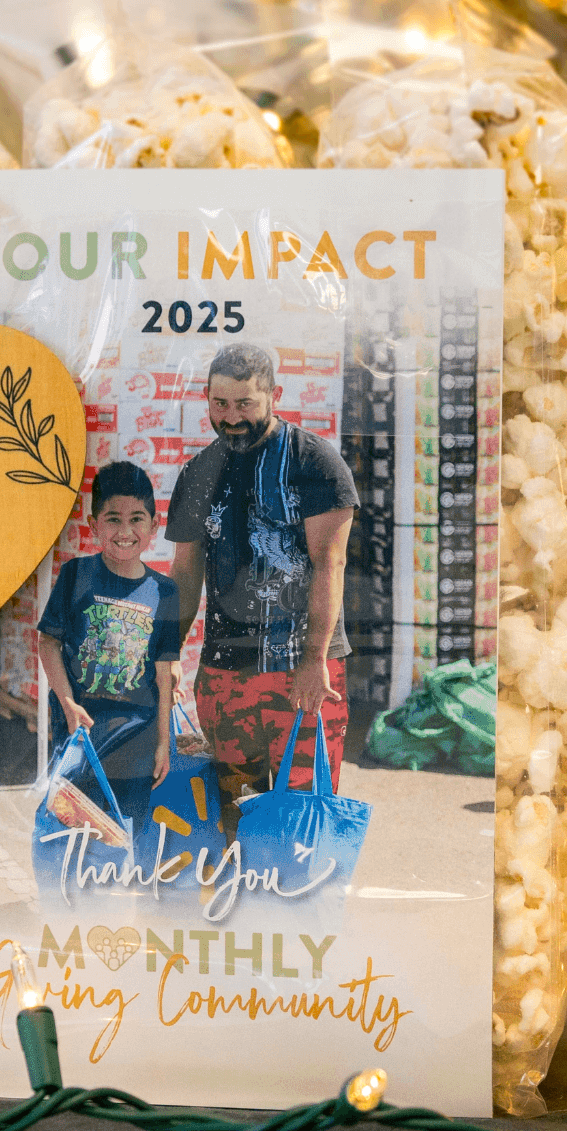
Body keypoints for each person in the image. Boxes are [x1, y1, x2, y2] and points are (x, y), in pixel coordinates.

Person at [166, 343, 358, 812]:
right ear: (207, 398)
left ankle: (299, 889)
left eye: (245, 404)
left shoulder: (314, 463)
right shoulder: (197, 473)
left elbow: (329, 565)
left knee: (302, 812)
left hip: (303, 669)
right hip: (225, 673)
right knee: (231, 810)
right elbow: (186, 572)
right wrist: (168, 650)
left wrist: (315, 659)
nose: (231, 417)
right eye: (220, 404)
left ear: (274, 394)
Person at [37, 461, 182, 828]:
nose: (125, 530)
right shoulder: (76, 575)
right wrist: (68, 704)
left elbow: (165, 675)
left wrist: (164, 743)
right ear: (93, 525)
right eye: (113, 519)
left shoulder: (165, 591)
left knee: (126, 839)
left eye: (136, 519)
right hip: (79, 739)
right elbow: (49, 643)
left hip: (138, 744)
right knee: (72, 838)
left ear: (154, 525)